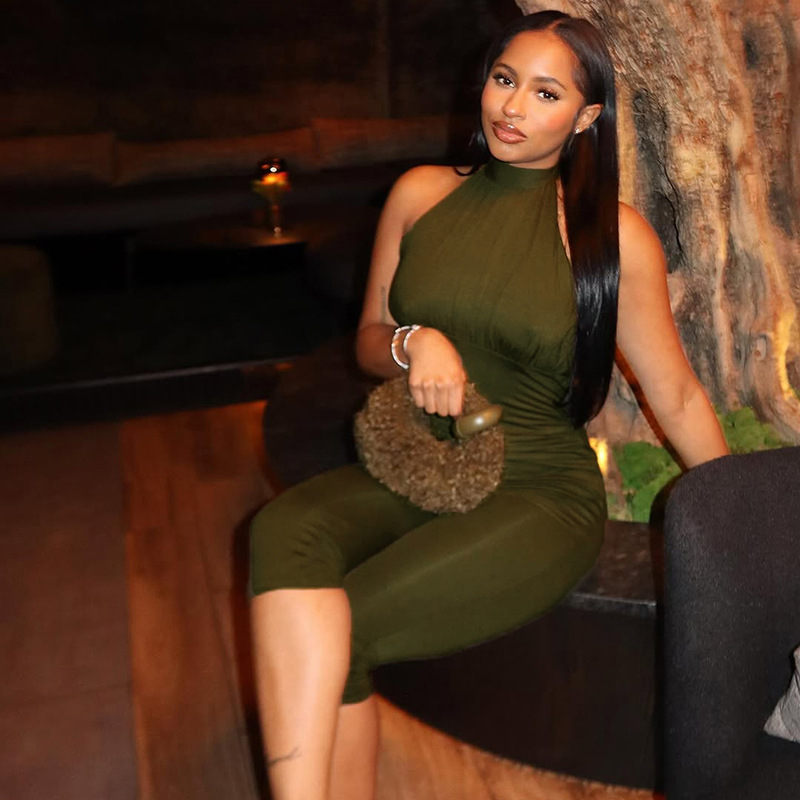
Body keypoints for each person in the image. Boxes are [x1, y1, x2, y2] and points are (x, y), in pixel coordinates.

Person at [249, 10, 730, 800]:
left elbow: (673, 393)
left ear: (586, 118)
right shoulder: (421, 193)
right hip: (418, 462)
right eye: (505, 80)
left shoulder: (613, 239)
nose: (511, 107)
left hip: (536, 489)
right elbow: (369, 339)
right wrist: (415, 342)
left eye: (545, 93)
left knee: (345, 623)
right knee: (280, 532)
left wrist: (743, 520)